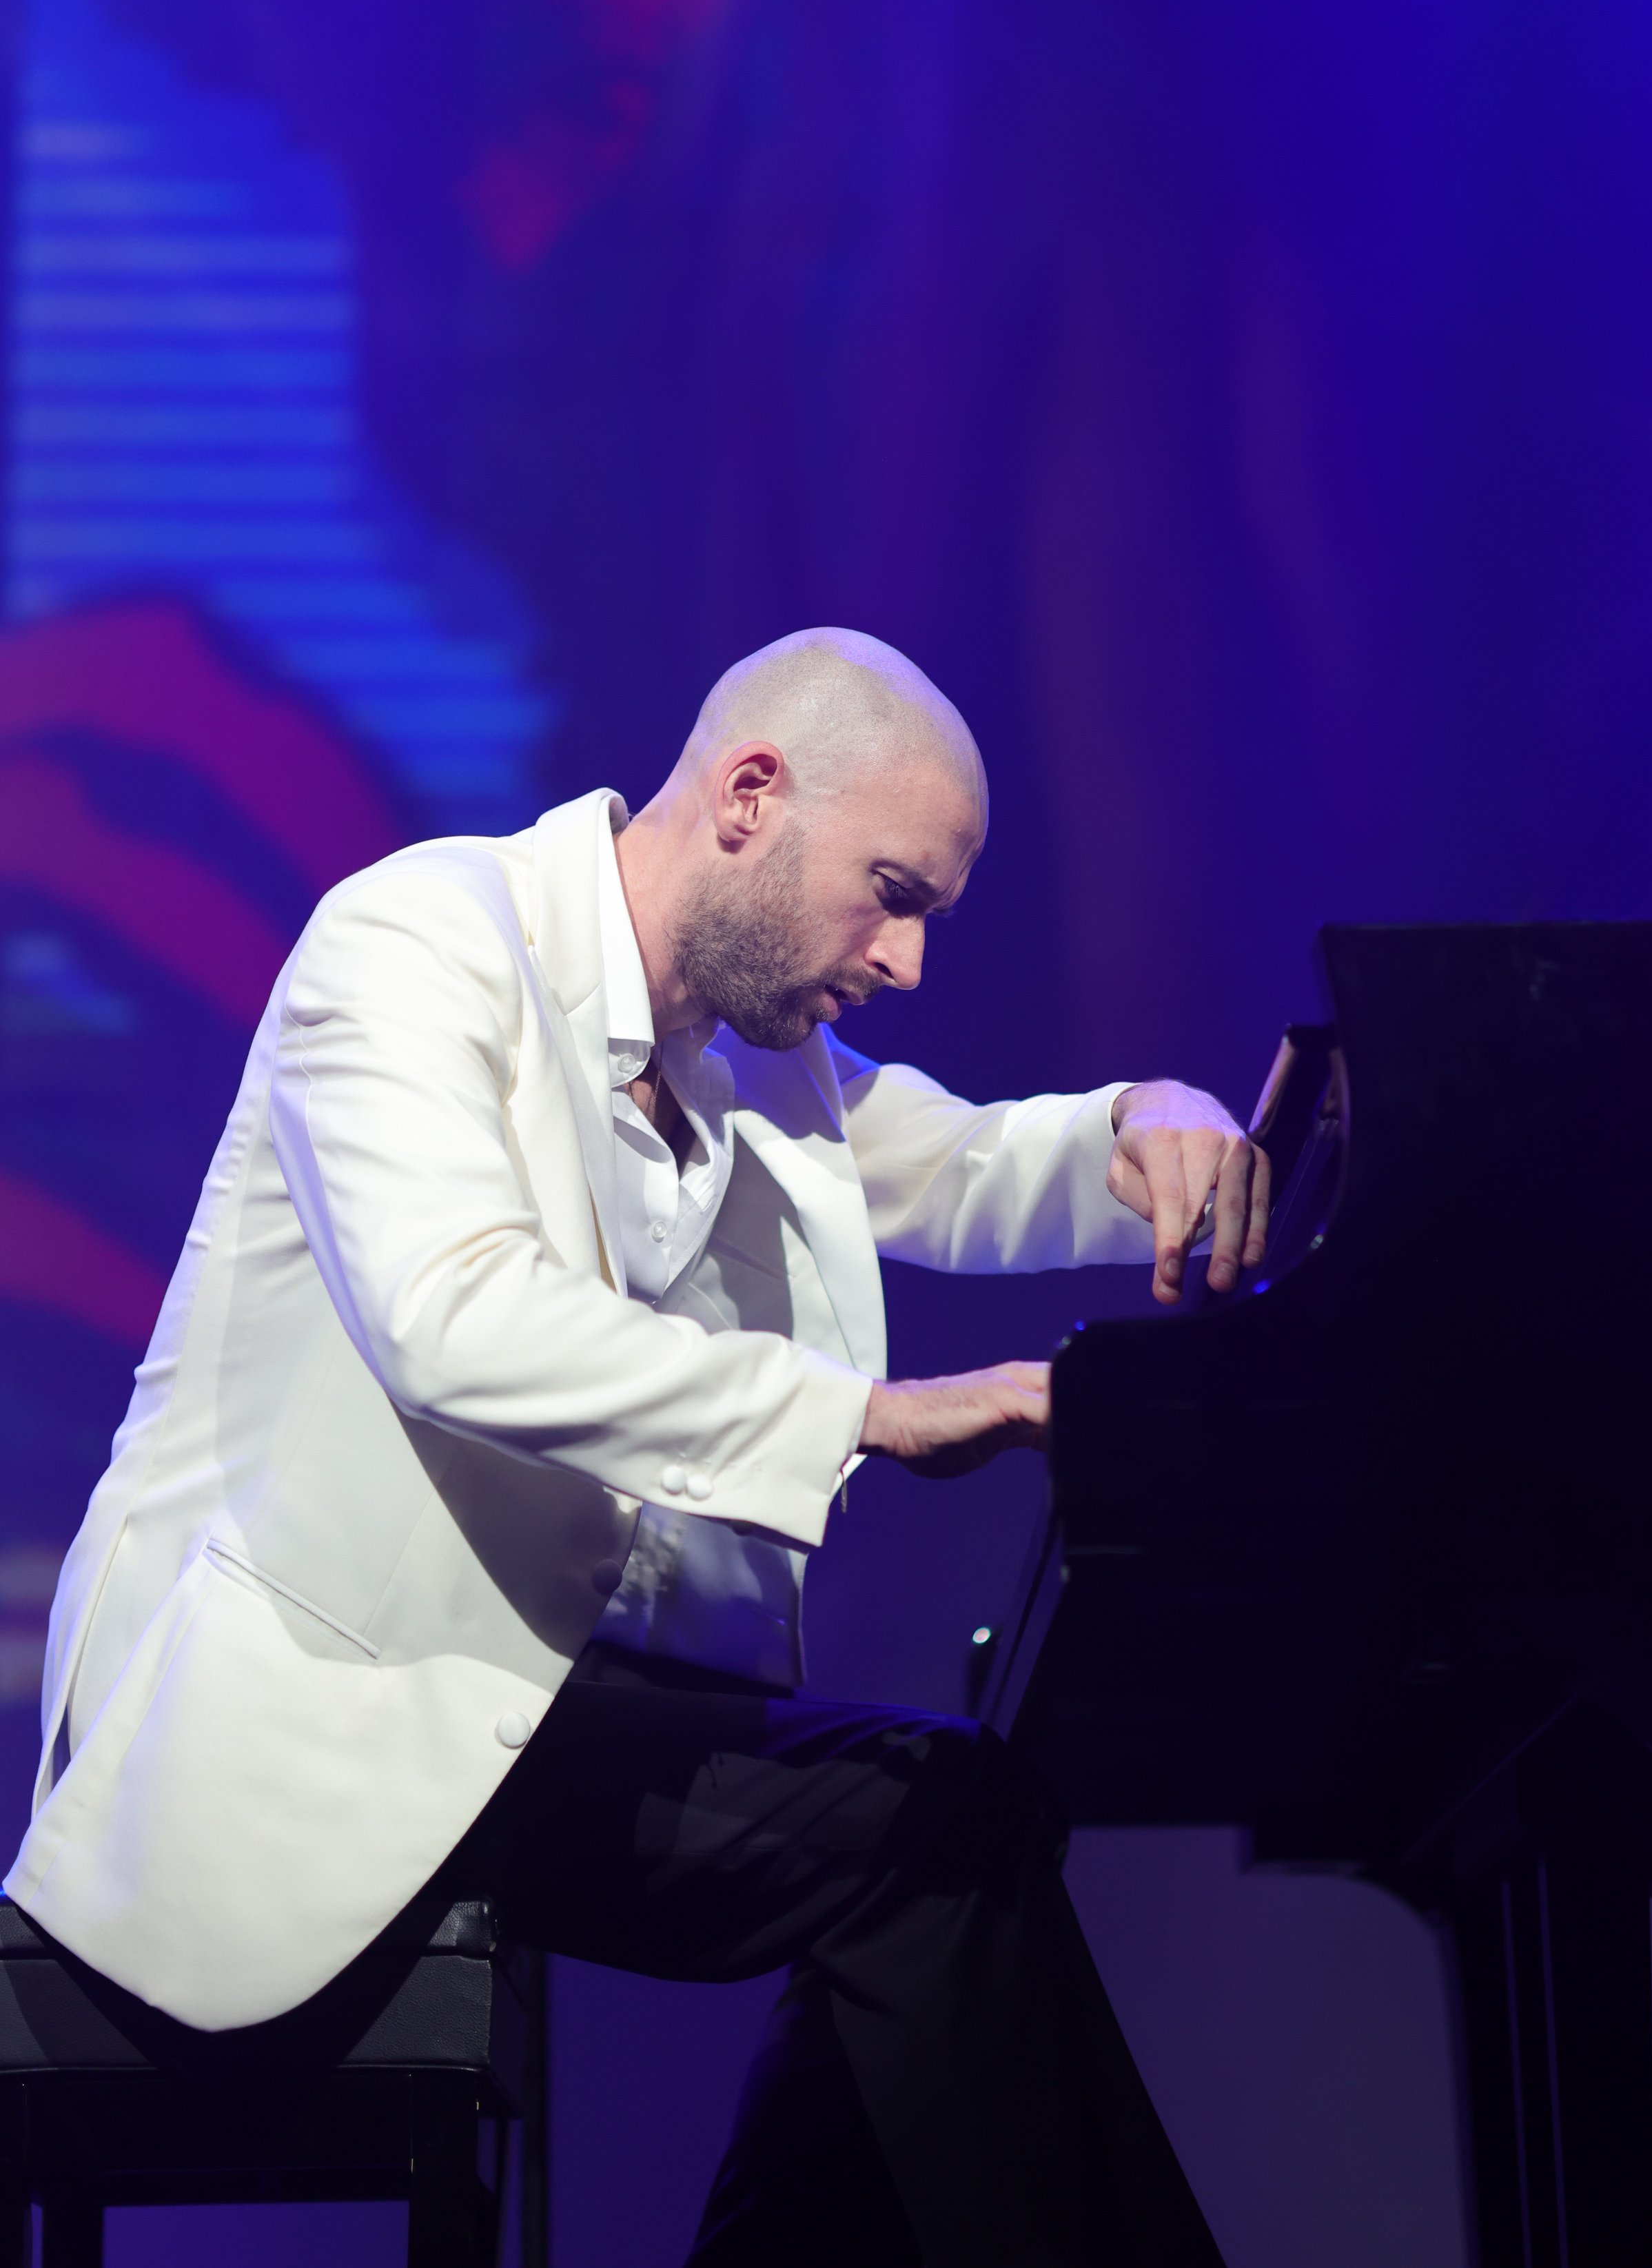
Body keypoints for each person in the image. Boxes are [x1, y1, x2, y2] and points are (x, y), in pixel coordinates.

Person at [8, 629, 1267, 2264]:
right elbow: (452, 1315)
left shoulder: (743, 1053)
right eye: (889, 894)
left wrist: (1145, 1118)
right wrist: (863, 1413)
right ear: (749, 795)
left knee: (948, 1820)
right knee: (930, 1831)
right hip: (310, 1707)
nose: (903, 959)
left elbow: (953, 1160)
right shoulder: (417, 941)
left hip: (517, 1704)